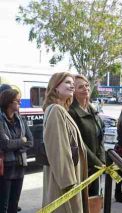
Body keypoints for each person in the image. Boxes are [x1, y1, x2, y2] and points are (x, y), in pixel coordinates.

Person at [42, 72, 89, 213]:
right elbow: (58, 150)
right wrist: (69, 184)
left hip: (70, 178)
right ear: (55, 87)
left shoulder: (62, 110)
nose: (72, 86)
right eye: (67, 82)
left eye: (72, 83)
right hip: (64, 185)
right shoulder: (56, 110)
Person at [69, 74, 105, 196]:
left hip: (96, 167)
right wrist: (97, 163)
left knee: (95, 201)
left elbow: (100, 137)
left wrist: (102, 160)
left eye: (87, 85)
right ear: (73, 92)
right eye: (80, 87)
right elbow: (79, 143)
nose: (86, 88)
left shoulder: (92, 110)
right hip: (82, 168)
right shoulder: (71, 112)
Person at [0, 88, 33, 213]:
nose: (20, 103)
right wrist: (21, 141)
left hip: (20, 165)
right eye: (17, 101)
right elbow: (5, 144)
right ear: (8, 102)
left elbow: (30, 141)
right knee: (4, 205)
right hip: (5, 168)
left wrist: (18, 147)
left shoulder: (21, 119)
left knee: (14, 204)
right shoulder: (1, 120)